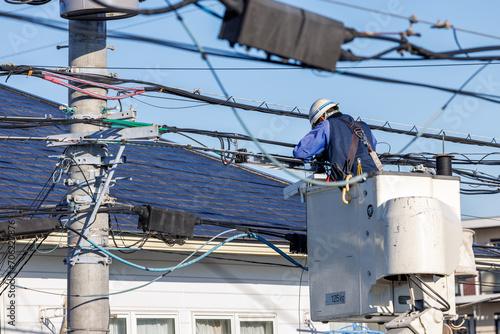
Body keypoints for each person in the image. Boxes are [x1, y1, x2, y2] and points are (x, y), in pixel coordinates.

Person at [293, 98, 382, 176]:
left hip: (350, 183)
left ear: (321, 118)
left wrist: (321, 152)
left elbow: (300, 153)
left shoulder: (326, 125)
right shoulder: (364, 126)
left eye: (316, 125)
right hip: (376, 177)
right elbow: (371, 146)